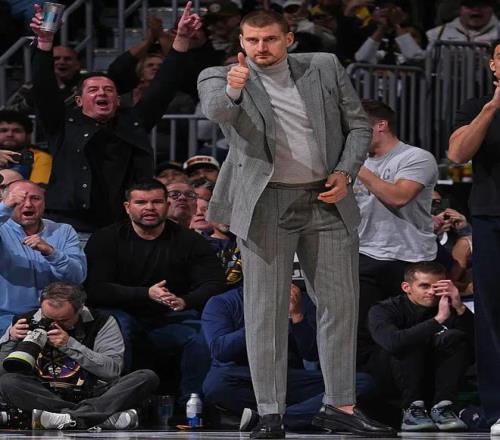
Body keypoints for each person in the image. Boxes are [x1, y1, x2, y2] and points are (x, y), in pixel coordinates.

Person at [198, 9, 394, 438]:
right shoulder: (220, 75)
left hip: (326, 197)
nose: (260, 48)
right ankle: (270, 412)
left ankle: (340, 406)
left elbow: (358, 126)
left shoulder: (323, 66)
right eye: (252, 40)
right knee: (265, 310)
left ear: (289, 39)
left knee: (340, 306)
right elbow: (216, 112)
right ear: (241, 43)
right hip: (265, 202)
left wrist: (345, 173)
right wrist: (234, 89)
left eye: (269, 39)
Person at [29, 2, 203, 232]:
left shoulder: (132, 122)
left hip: (121, 228)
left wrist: (181, 39)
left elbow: (164, 87)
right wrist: (44, 42)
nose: (102, 93)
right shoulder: (62, 123)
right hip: (69, 226)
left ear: (118, 100)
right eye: (93, 90)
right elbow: (43, 87)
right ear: (79, 101)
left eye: (108, 90)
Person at [84, 179, 226, 399]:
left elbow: (214, 283)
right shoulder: (106, 238)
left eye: (157, 202)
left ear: (167, 205)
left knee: (202, 336)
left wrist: (185, 300)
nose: (149, 208)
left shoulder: (189, 240)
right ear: (127, 207)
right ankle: (118, 403)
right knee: (120, 328)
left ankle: (192, 405)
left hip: (173, 315)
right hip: (121, 313)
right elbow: (95, 289)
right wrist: (146, 293)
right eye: (141, 202)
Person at [0, 281, 159, 430]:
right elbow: (2, 371)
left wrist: (69, 345)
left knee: (146, 377)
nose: (54, 324)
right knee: (7, 381)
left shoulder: (102, 321)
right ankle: (96, 418)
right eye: (47, 318)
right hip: (42, 393)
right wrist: (11, 340)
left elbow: (112, 370)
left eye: (63, 320)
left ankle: (67, 418)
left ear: (80, 308)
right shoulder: (24, 321)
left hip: (92, 392)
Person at [353, 100, 438, 368]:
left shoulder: (416, 157)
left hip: (409, 258)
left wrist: (356, 167)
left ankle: (416, 391)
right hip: (365, 255)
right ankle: (369, 389)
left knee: (411, 336)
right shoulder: (358, 162)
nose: (352, 135)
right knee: (363, 334)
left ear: (381, 125)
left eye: (358, 128)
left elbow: (398, 197)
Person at [448, 38, 500, 435]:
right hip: (491, 215)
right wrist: (492, 107)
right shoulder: (477, 106)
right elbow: (457, 154)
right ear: (493, 65)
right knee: (493, 314)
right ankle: (497, 409)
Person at [367, 262, 473, 432]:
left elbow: (478, 346)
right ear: (406, 287)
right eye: (424, 286)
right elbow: (392, 343)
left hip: (435, 382)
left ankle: (443, 407)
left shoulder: (450, 306)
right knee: (410, 340)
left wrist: (459, 306)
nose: (431, 292)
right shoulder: (383, 310)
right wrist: (438, 320)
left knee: (455, 338)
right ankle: (411, 410)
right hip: (393, 383)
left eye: (437, 287)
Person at [0, 180, 86, 336]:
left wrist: (51, 253)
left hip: (58, 319)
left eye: (35, 198)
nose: (28, 204)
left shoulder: (63, 231)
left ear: (44, 202)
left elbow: (77, 277)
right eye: (19, 200)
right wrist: (4, 208)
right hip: (7, 319)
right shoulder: (2, 229)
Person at [5, 46, 82, 115]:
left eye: (68, 59)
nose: (61, 62)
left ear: (77, 65)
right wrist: (28, 103)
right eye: (56, 58)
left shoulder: (85, 86)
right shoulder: (30, 87)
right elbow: (8, 114)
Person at [0, 110, 52, 183]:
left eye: (17, 131)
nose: (10, 134)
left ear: (28, 135)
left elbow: (37, 188)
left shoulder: (39, 157)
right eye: (3, 130)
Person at [426, 0, 498, 46]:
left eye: (483, 5)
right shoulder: (435, 35)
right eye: (470, 5)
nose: (476, 9)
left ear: (492, 8)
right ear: (459, 9)